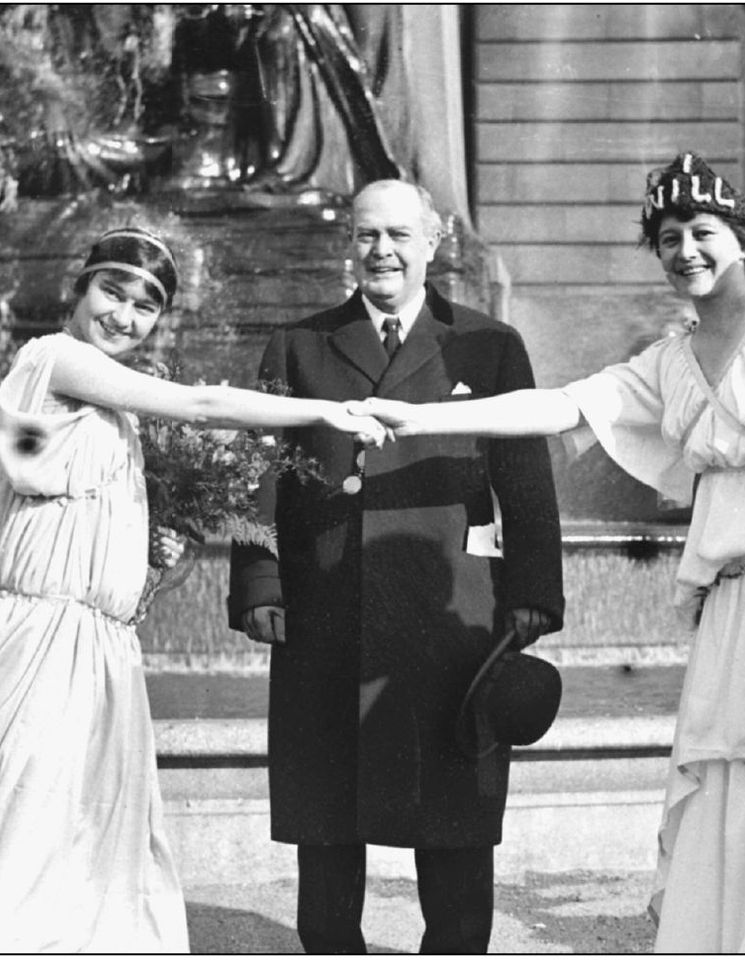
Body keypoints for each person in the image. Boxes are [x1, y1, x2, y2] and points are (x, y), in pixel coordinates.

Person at [358, 153, 745, 952]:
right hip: (728, 609)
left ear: (738, 237)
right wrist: (419, 418)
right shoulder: (669, 358)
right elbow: (562, 404)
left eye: (703, 232)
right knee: (719, 795)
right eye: (668, 237)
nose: (686, 251)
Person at [0, 227, 391, 952]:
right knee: (29, 837)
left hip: (96, 647)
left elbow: (103, 554)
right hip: (36, 642)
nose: (125, 315)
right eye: (112, 292)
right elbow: (202, 405)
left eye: (146, 307)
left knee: (90, 840)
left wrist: (155, 562)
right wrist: (322, 410)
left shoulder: (113, 415)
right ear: (77, 291)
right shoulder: (51, 358)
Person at [226, 179, 565, 954]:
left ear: (433, 242)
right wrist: (259, 581)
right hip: (327, 610)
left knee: (454, 826)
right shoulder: (299, 345)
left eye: (398, 236)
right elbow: (258, 475)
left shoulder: (488, 343)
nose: (381, 251)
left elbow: (525, 476)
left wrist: (534, 591)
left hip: (451, 617)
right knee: (327, 824)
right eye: (366, 235)